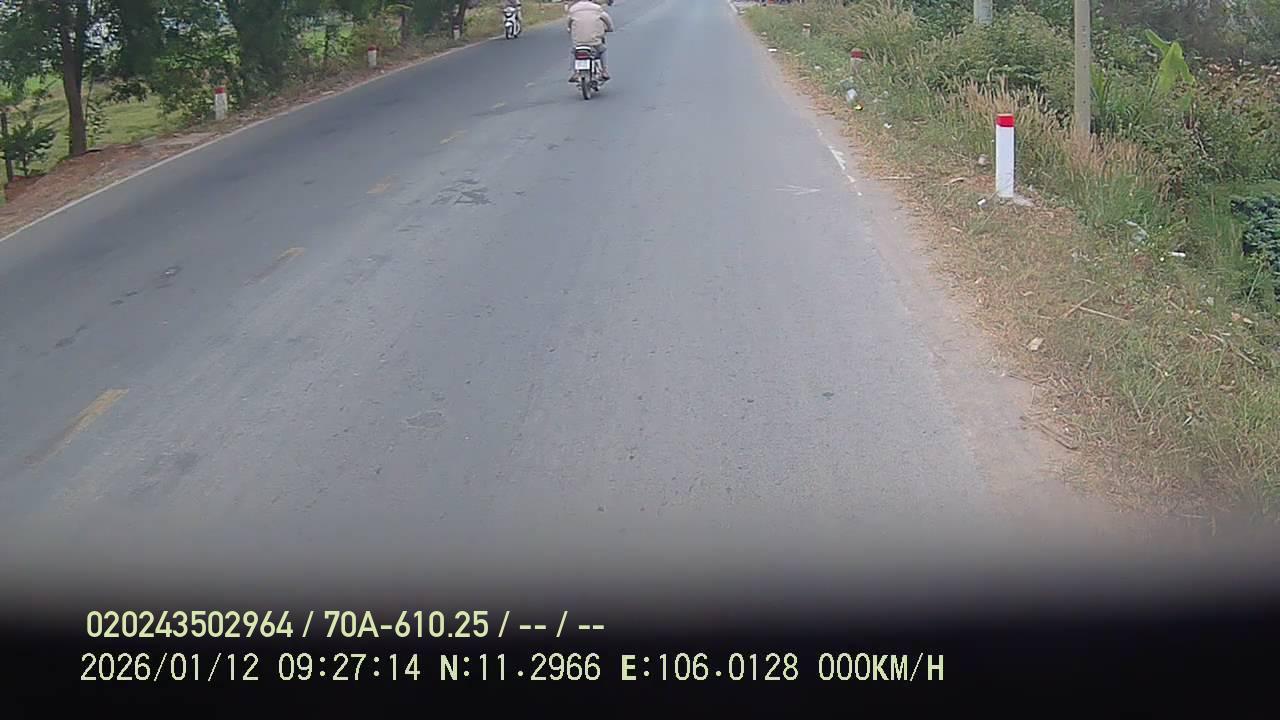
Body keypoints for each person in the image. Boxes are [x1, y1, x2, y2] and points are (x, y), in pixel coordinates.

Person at [567, 0, 613, 82]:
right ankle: (604, 71)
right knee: (602, 50)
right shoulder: (597, 8)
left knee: (574, 52)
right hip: (594, 42)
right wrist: (610, 28)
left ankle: (575, 73)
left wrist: (570, 29)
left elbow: (569, 22)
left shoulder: (573, 9)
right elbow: (607, 19)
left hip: (579, 43)